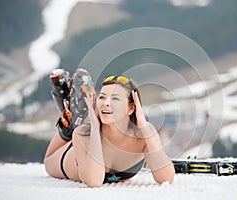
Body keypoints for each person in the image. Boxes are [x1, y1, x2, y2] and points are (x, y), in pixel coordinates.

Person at [44, 68, 175, 187]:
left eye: (115, 99)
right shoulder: (84, 134)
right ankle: (69, 126)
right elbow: (94, 181)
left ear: (131, 107)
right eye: (102, 97)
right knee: (48, 161)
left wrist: (144, 127)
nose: (106, 103)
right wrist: (94, 129)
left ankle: (72, 117)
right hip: (69, 158)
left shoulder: (146, 132)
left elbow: (166, 178)